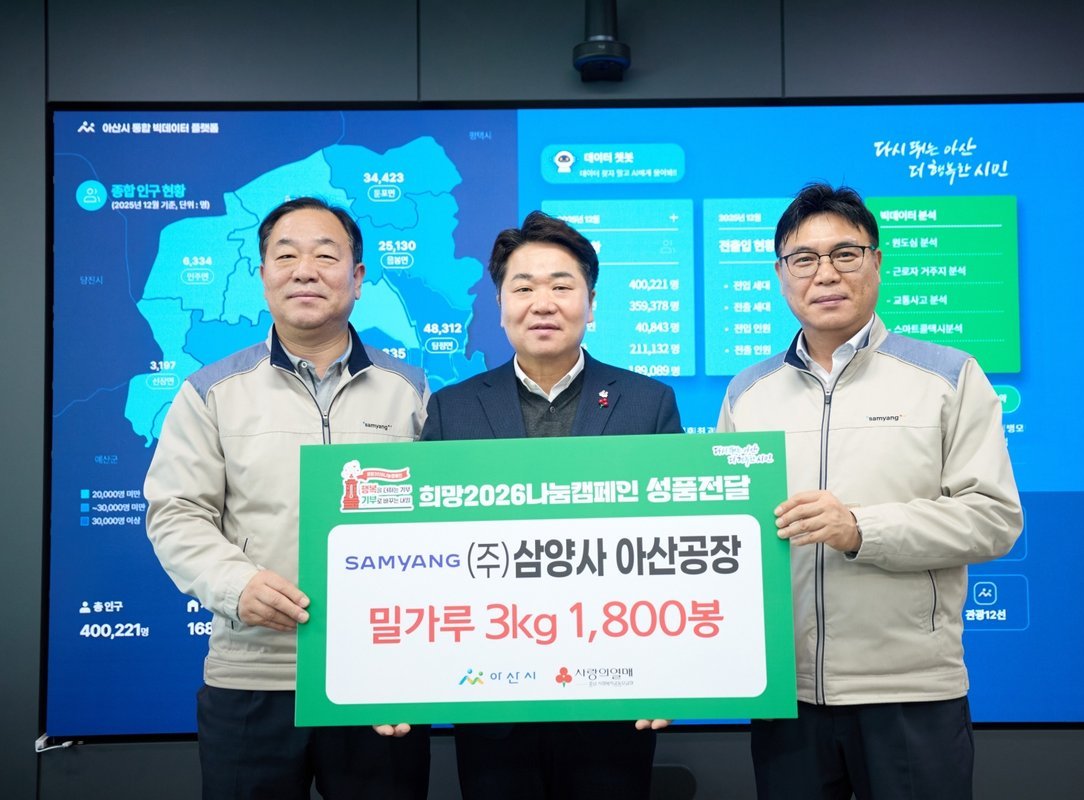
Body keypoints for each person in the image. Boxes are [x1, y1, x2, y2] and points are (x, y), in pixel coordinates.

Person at [718, 182, 1022, 799]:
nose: (825, 274)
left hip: (910, 691)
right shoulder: (748, 393)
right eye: (804, 259)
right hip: (788, 696)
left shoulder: (947, 377)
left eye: (845, 254)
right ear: (781, 275)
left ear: (876, 262)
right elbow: (726, 539)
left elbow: (993, 519)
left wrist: (861, 528)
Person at [145, 196, 431, 799]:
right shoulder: (212, 391)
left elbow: (440, 521)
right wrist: (236, 585)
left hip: (377, 673)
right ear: (262, 276)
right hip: (251, 675)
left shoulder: (409, 391)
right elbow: (177, 512)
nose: (305, 271)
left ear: (357, 277)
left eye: (326, 256)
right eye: (286, 256)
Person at [390, 210, 679, 799]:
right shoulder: (453, 409)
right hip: (490, 694)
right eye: (522, 288)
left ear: (591, 304)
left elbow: (675, 551)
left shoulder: (647, 402)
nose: (542, 304)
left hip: (615, 694)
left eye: (561, 286)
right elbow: (420, 551)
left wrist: (670, 673)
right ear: (499, 305)